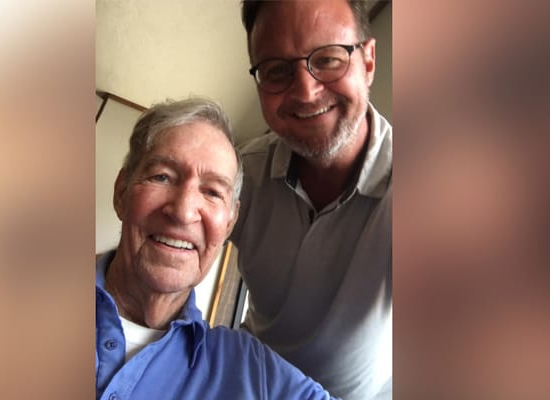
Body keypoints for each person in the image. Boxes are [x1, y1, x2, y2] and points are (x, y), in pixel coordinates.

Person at [95, 97, 333, 400]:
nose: (183, 211)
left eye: (212, 192)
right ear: (121, 193)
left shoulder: (254, 373)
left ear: (230, 224)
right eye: (162, 177)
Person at [232, 1, 393, 399]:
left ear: (368, 61)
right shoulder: (241, 174)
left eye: (328, 59)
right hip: (247, 384)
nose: (305, 91)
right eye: (277, 70)